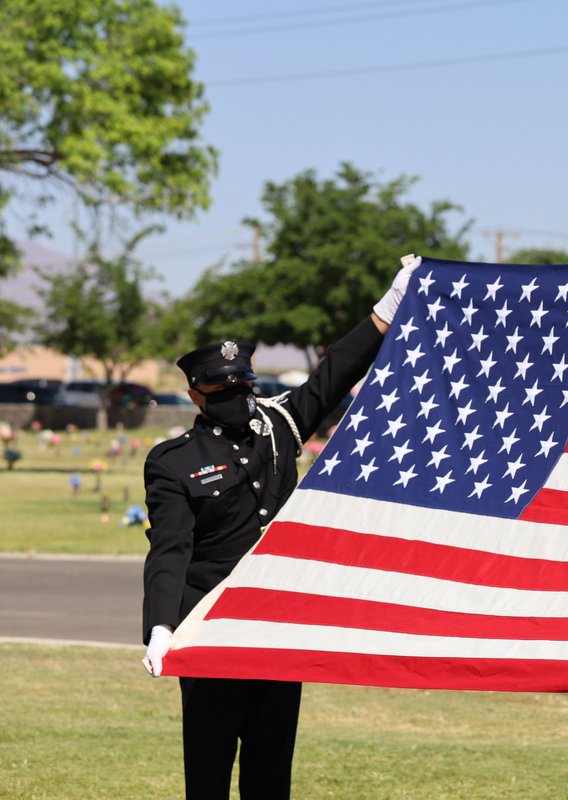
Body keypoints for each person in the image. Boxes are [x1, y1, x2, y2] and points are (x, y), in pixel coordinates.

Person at [141, 256, 420, 799]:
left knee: (271, 776)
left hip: (273, 627)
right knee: (208, 775)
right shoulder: (173, 461)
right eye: (221, 393)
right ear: (197, 396)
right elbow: (170, 549)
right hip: (208, 631)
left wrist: (387, 309)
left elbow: (335, 372)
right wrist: (160, 625)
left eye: (241, 388)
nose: (236, 400)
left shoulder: (279, 426)